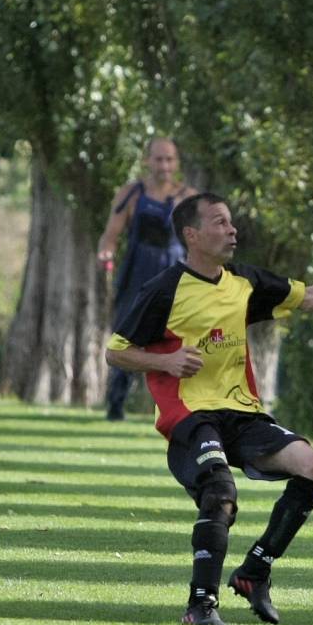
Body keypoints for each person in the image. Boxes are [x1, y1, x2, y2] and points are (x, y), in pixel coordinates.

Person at [105, 192, 313, 625]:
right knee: (220, 495)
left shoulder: (243, 281)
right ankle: (200, 605)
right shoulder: (164, 289)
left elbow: (309, 298)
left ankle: (255, 572)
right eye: (219, 222)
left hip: (243, 414)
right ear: (192, 235)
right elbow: (117, 351)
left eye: (231, 222)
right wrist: (165, 361)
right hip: (193, 417)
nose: (232, 229)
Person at [97, 137, 198, 420]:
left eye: (169, 159)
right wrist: (105, 252)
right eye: (158, 159)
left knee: (181, 340)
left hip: (176, 277)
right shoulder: (131, 194)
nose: (164, 165)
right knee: (126, 337)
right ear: (147, 161)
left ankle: (184, 408)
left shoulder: (189, 198)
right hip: (138, 274)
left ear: (176, 163)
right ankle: (116, 405)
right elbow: (111, 234)